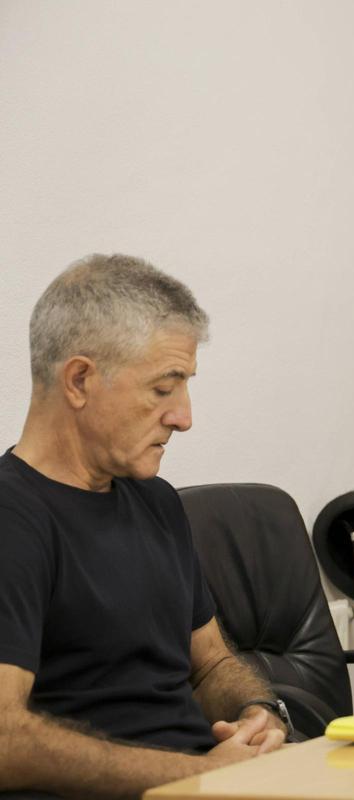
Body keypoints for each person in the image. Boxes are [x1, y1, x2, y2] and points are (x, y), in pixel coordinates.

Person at [0, 255, 289, 798]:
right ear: (80, 380)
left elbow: (209, 666)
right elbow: (4, 740)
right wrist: (197, 776)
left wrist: (258, 713)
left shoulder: (155, 500)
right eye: (164, 388)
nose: (184, 416)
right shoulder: (12, 519)